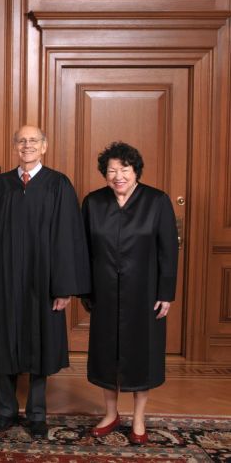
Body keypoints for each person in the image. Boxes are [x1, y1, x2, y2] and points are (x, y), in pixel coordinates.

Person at [0, 125, 90, 438]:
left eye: (33, 141)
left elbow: (67, 238)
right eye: (21, 141)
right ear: (15, 147)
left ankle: (36, 412)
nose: (27, 145)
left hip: (42, 282)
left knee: (39, 346)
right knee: (4, 344)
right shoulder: (2, 184)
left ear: (44, 147)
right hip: (5, 281)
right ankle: (5, 410)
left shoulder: (58, 184)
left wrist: (63, 287)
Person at [82, 142, 178, 445]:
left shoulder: (157, 201)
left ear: (135, 170)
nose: (118, 176)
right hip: (105, 292)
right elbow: (83, 250)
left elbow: (168, 251)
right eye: (111, 170)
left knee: (142, 354)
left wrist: (166, 292)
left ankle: (138, 418)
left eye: (124, 169)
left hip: (145, 293)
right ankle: (111, 414)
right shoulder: (93, 203)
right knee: (105, 354)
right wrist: (86, 290)